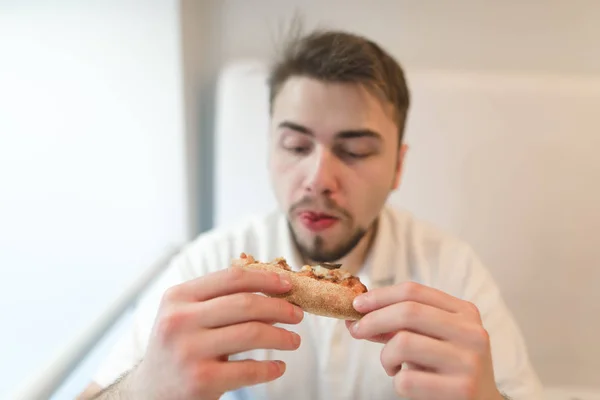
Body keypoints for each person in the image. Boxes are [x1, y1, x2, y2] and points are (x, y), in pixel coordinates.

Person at [78, 28, 542, 400]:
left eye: (356, 151)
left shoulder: (452, 272)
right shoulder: (205, 266)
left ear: (398, 166)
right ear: (268, 151)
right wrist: (145, 390)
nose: (318, 177)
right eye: (296, 146)